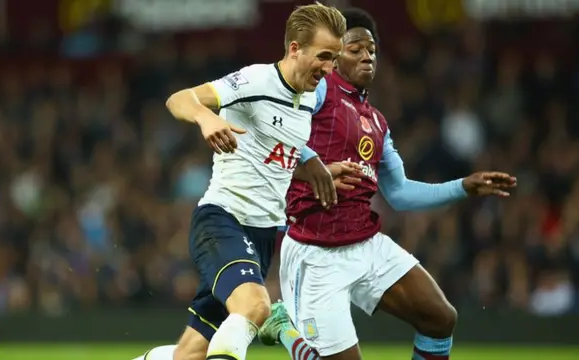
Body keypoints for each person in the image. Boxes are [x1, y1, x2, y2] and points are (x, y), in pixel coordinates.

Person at [257, 8, 517, 360]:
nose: (367, 56)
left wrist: (463, 187)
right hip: (315, 254)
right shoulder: (319, 91)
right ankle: (284, 328)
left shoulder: (376, 122)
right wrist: (312, 163)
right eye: (355, 49)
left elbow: (400, 193)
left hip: (365, 244)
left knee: (439, 318)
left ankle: (288, 326)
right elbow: (273, 126)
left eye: (372, 50)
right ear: (334, 57)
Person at [132, 4, 351, 360]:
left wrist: (313, 167)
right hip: (223, 221)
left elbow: (273, 149)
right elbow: (179, 99)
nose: (329, 68)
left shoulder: (308, 98)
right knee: (255, 307)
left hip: (262, 236)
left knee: (190, 354)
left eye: (334, 58)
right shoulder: (257, 80)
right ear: (295, 48)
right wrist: (206, 119)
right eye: (324, 56)